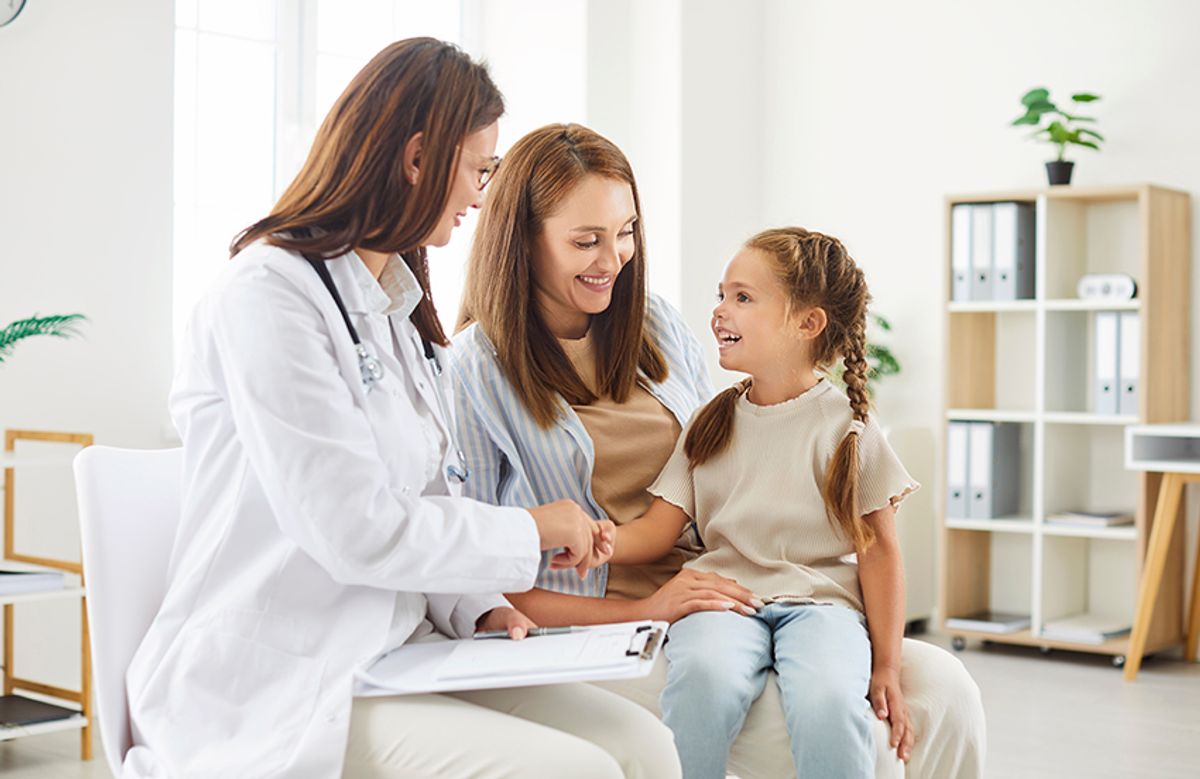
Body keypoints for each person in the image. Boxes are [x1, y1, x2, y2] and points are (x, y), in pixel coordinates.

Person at [123, 40, 679, 779]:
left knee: (645, 745)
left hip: (396, 651)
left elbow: (425, 502)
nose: (483, 195)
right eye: (479, 169)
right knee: (574, 769)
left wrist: (480, 605)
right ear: (418, 159)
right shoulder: (267, 297)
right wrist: (532, 528)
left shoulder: (394, 311)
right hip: (281, 677)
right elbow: (356, 528)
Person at [451, 122, 986, 778]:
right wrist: (645, 607)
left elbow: (724, 466)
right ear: (523, 241)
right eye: (586, 240)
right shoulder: (474, 370)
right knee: (854, 737)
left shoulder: (657, 324)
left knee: (947, 691)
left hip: (732, 591)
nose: (613, 259)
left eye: (625, 233)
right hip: (606, 628)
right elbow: (476, 580)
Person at [586, 226, 917, 777]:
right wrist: (597, 542)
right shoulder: (710, 422)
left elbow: (881, 552)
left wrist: (888, 666)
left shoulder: (849, 428)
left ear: (808, 323)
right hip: (723, 599)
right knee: (703, 684)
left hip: (822, 607)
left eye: (742, 297)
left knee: (830, 703)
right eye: (721, 294)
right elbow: (656, 531)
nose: (719, 311)